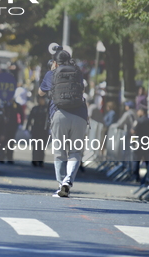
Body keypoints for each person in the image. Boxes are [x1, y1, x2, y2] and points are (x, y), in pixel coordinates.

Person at [38, 48, 88, 198]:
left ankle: (61, 184)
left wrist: (52, 74)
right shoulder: (78, 73)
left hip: (59, 114)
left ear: (55, 62)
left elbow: (40, 92)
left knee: (59, 153)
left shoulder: (51, 73)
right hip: (79, 115)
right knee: (75, 152)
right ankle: (68, 181)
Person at [131, 108, 149, 184]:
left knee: (136, 160)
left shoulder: (138, 120)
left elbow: (134, 130)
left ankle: (136, 178)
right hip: (147, 142)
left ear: (142, 112)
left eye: (139, 110)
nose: (138, 112)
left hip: (139, 142)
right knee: (147, 161)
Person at [26, 95, 50, 167]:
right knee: (35, 146)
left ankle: (40, 160)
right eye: (40, 99)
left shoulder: (47, 110)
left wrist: (50, 129)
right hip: (36, 130)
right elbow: (30, 119)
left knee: (42, 147)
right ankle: (34, 160)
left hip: (44, 130)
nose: (41, 101)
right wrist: (27, 128)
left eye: (42, 99)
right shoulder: (35, 108)